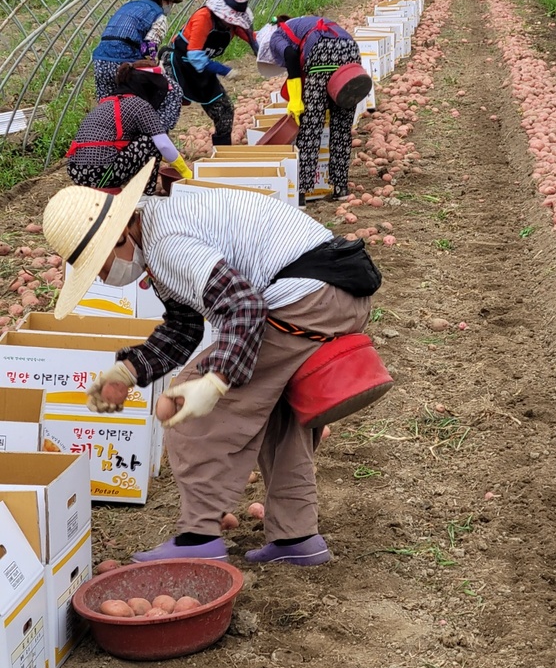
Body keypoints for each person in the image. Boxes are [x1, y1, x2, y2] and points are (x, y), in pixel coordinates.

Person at [43, 162, 381, 565]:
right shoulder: (157, 232)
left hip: (309, 298)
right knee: (276, 413)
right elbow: (184, 327)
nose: (102, 277)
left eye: (98, 265)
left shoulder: (167, 244)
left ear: (118, 236)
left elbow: (245, 307)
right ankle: (297, 538)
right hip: (333, 292)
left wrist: (215, 381)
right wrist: (128, 371)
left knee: (185, 411)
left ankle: (198, 537)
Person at [256, 15, 363, 201]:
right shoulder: (303, 24)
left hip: (322, 54)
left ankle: (301, 192)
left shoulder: (276, 36)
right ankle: (340, 188)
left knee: (311, 127)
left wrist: (296, 100)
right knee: (341, 124)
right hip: (351, 53)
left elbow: (290, 56)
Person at [66, 62, 191, 196]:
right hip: (100, 173)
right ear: (147, 87)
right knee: (151, 140)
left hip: (76, 172)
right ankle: (145, 195)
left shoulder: (108, 102)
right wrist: (187, 173)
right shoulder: (139, 105)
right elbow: (163, 144)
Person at [163, 0, 258, 146]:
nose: (232, 23)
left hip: (203, 67)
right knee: (168, 108)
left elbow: (254, 39)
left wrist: (268, 46)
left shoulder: (233, 26)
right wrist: (225, 71)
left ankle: (222, 152)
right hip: (179, 63)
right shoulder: (204, 17)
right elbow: (195, 56)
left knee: (224, 109)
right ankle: (161, 150)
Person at [92, 0, 183, 100]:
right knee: (172, 92)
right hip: (125, 65)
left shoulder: (128, 7)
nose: (171, 5)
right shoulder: (158, 16)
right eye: (171, 2)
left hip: (100, 62)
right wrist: (156, 66)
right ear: (164, 0)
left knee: (107, 104)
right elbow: (148, 49)